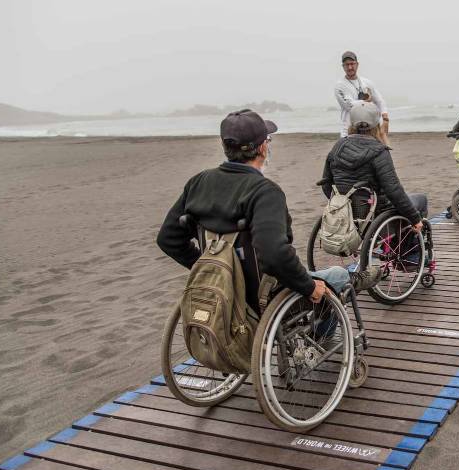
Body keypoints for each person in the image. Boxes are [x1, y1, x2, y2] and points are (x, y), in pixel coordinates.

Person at [156, 109, 379, 313]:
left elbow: (168, 239)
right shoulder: (264, 192)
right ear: (263, 147)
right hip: (263, 297)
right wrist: (308, 286)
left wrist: (208, 270)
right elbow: (274, 256)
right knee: (336, 277)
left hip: (221, 288)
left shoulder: (198, 183)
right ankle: (323, 336)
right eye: (268, 140)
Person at [320, 100, 427, 241]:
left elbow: (326, 183)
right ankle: (410, 254)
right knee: (420, 200)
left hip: (346, 214)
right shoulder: (379, 151)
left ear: (351, 123)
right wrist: (415, 219)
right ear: (376, 124)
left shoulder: (338, 146)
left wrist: (343, 205)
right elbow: (394, 190)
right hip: (376, 214)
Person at [334, 51, 389, 143]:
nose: (350, 67)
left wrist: (385, 118)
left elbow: (379, 101)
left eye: (352, 64)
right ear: (343, 66)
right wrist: (366, 101)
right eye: (346, 65)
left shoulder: (367, 82)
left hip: (369, 130)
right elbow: (348, 106)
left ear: (357, 64)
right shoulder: (339, 86)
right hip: (348, 131)